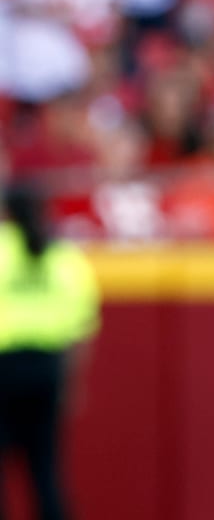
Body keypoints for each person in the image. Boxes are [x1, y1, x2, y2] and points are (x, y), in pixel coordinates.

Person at [0, 180, 101, 520]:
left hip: (4, 369)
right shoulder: (65, 257)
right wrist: (72, 384)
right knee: (44, 467)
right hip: (48, 369)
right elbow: (82, 329)